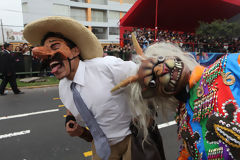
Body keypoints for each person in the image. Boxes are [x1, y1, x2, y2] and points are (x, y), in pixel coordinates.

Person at [23, 16, 166, 160]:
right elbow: (75, 99)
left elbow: (146, 74)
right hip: (102, 147)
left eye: (55, 47)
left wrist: (152, 74)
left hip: (132, 140)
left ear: (75, 51)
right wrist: (70, 119)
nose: (49, 56)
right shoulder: (63, 87)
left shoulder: (105, 67)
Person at [116, 42, 240, 159]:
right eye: (153, 82)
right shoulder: (183, 119)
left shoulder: (227, 66)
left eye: (160, 60)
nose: (160, 70)